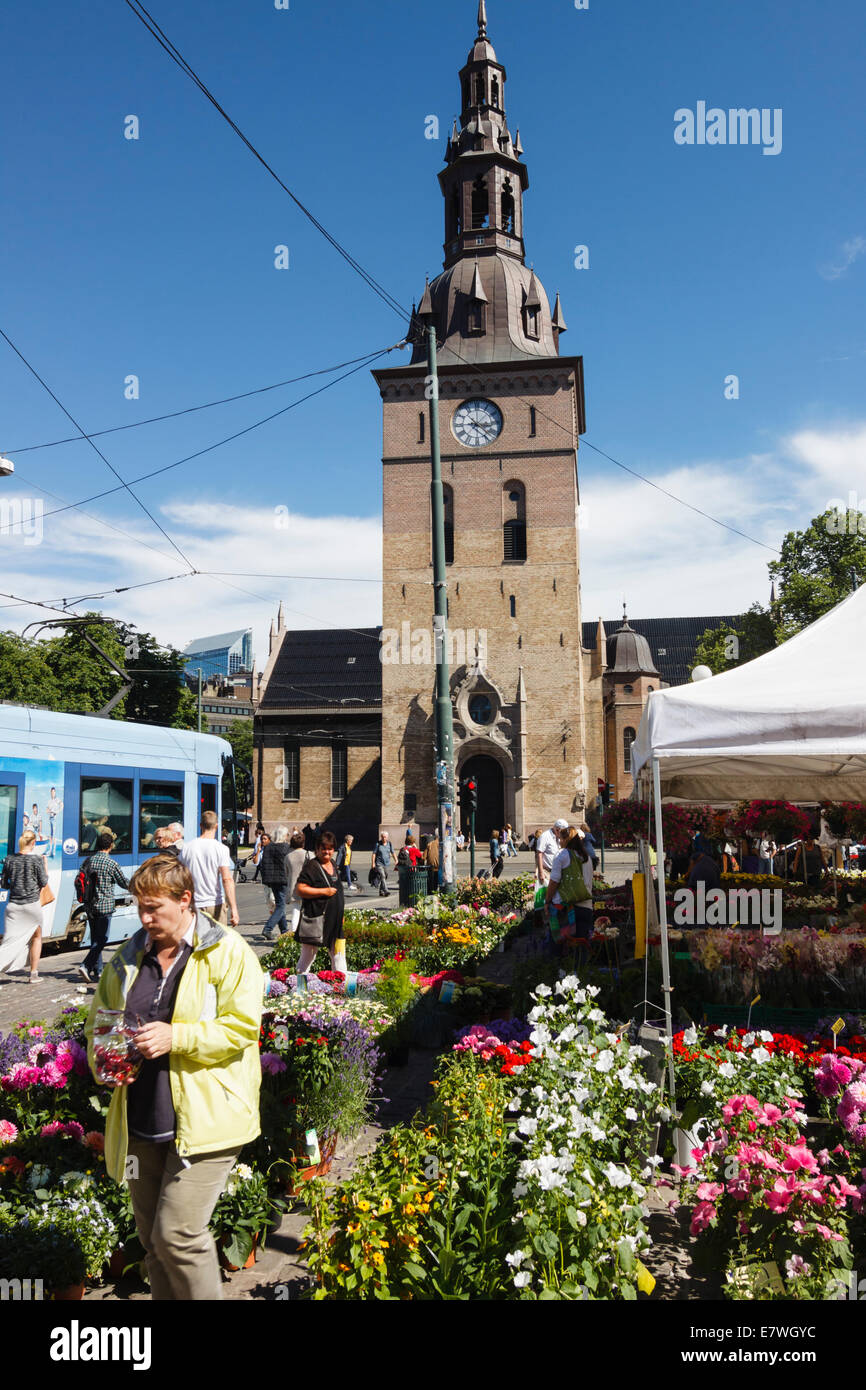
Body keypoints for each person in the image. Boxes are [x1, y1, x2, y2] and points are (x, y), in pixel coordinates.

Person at [84, 854, 262, 1301]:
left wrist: (176, 1037)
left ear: (186, 901)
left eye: (154, 909)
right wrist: (103, 1061)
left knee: (178, 1235)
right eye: (139, 907)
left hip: (208, 1118)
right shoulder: (127, 957)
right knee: (152, 1243)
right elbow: (98, 1024)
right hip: (140, 1119)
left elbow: (242, 1027)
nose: (144, 918)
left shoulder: (226, 951)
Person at [79, 831, 130, 984]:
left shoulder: (88, 861)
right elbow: (123, 882)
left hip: (89, 905)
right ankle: (86, 965)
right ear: (111, 846)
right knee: (102, 939)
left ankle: (98, 970)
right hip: (105, 905)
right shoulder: (111, 863)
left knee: (95, 938)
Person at [295, 831, 348, 975]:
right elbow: (300, 889)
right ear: (317, 849)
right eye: (323, 848)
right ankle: (298, 985)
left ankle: (340, 986)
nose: (327, 852)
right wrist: (324, 892)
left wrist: (341, 914)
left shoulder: (333, 864)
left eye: (330, 848)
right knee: (308, 955)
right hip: (316, 918)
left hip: (334, 920)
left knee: (338, 955)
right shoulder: (312, 866)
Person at [0, 829, 48, 985]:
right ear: (34, 842)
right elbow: (43, 882)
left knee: (8, 941)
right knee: (36, 937)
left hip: (14, 906)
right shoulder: (37, 860)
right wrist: (45, 866)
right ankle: (33, 974)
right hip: (32, 906)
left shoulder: (9, 859)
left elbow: (4, 884)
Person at [179, 811, 239, 927]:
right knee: (218, 943)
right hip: (214, 903)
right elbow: (227, 879)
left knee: (195, 942)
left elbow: (180, 876)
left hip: (193, 904)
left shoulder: (187, 848)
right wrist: (234, 909)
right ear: (217, 826)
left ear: (201, 825)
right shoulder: (221, 849)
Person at [545, 825, 593, 944]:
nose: (559, 842)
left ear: (566, 840)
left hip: (566, 907)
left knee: (560, 947)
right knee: (582, 946)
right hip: (586, 906)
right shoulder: (587, 857)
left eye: (560, 839)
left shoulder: (562, 855)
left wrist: (547, 901)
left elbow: (554, 881)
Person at [260, 826, 292, 941]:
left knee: (279, 904)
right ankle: (268, 929)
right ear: (284, 836)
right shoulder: (286, 847)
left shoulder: (268, 847)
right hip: (282, 879)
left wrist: (265, 879)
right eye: (287, 834)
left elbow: (264, 864)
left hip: (271, 880)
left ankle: (284, 930)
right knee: (281, 906)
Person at [535, 818, 568, 884]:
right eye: (563, 832)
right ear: (557, 829)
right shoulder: (545, 836)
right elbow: (539, 854)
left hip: (557, 872)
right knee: (547, 893)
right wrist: (541, 873)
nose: (564, 834)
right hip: (546, 872)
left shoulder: (559, 837)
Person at [371, 832, 393, 897]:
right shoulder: (378, 844)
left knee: (385, 876)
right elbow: (374, 854)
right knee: (382, 875)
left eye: (385, 837)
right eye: (382, 837)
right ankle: (386, 890)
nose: (383, 838)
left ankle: (381, 891)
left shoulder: (389, 844)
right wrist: (373, 863)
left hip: (386, 863)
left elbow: (392, 852)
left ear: (387, 837)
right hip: (378, 863)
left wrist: (396, 860)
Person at [46, 786, 63, 858]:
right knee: (50, 835)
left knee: (54, 835)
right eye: (51, 792)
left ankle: (54, 851)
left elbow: (62, 805)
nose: (52, 793)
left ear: (55, 792)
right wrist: (50, 811)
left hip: (55, 818)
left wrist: (57, 812)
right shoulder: (49, 801)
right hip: (50, 818)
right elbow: (47, 810)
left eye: (53, 792)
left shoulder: (57, 799)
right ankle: (50, 850)